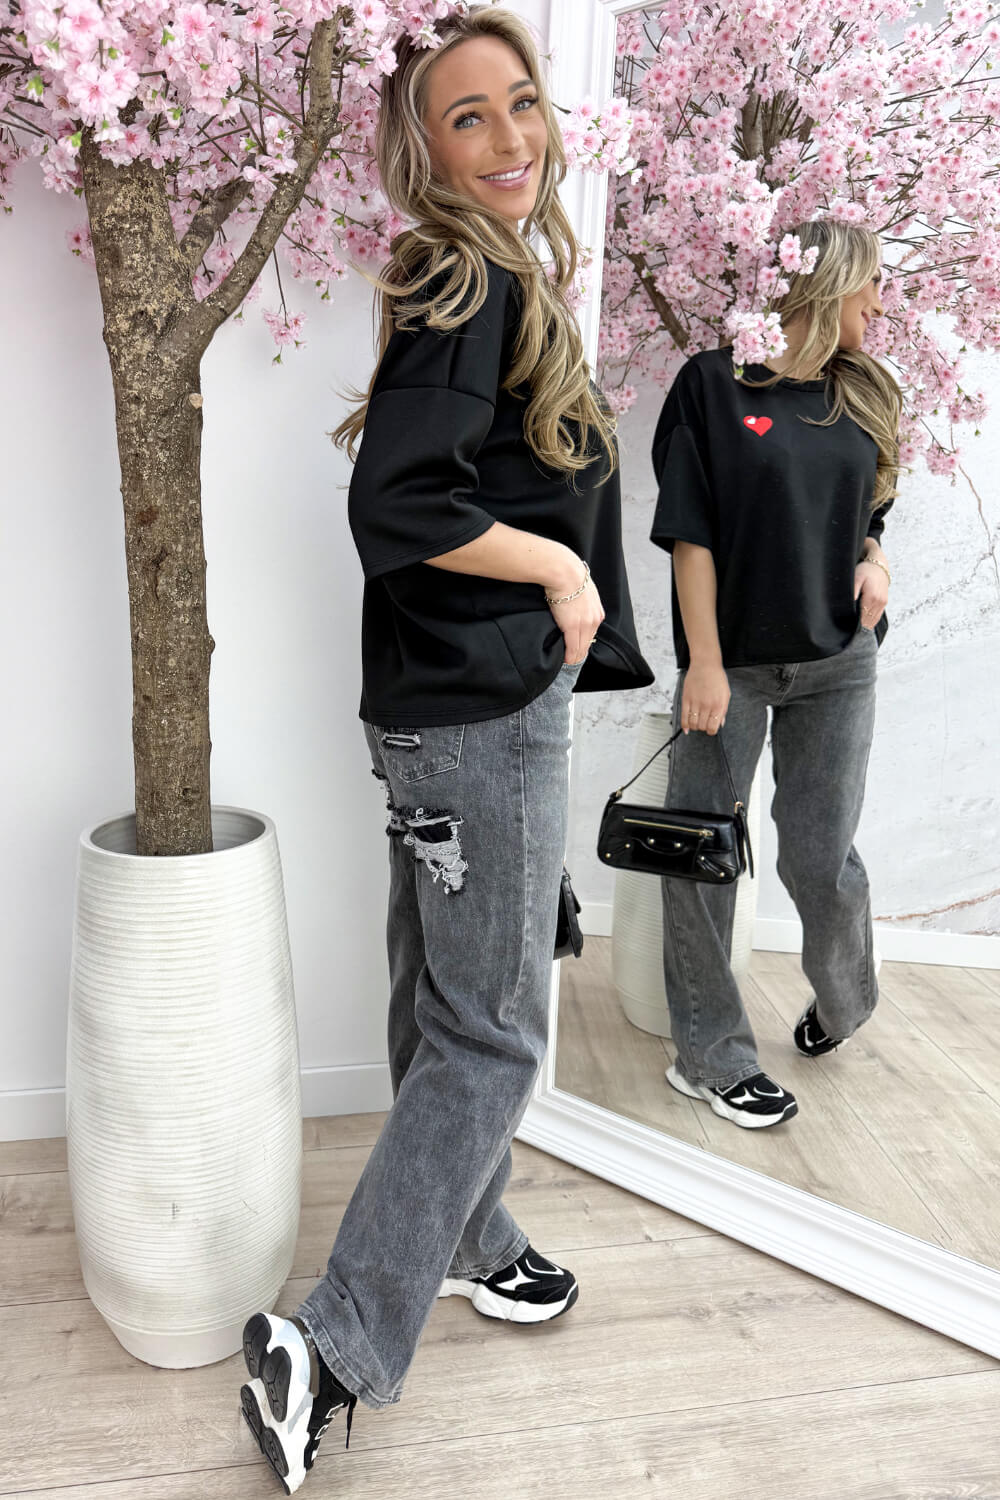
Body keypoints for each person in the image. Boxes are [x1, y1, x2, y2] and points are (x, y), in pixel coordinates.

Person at [236, 8, 653, 1492]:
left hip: (437, 708)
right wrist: (559, 569)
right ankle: (334, 1345)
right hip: (479, 716)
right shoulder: (467, 273)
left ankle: (472, 1237)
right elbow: (403, 504)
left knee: (444, 997)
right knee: (493, 1031)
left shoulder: (480, 272)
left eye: (520, 102)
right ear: (423, 148)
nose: (508, 137)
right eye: (466, 116)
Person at [649, 218, 901, 1130]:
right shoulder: (713, 383)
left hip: (841, 660)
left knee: (820, 858)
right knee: (701, 855)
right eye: (873, 285)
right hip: (734, 668)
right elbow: (692, 533)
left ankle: (843, 1002)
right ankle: (710, 1056)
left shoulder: (863, 392)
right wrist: (705, 664)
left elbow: (867, 514)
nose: (881, 306)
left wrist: (877, 559)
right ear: (831, 283)